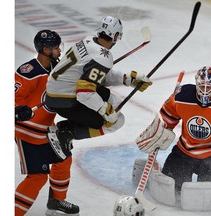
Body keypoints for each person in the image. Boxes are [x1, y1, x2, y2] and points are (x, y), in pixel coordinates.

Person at [45, 16, 152, 159]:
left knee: (116, 105)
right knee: (113, 121)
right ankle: (66, 132)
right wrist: (104, 110)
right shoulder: (103, 57)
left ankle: (69, 127)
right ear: (114, 35)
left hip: (56, 91)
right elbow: (84, 93)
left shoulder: (88, 41)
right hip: (65, 100)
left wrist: (127, 79)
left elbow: (96, 78)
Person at [135, 66, 211, 192]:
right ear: (196, 83)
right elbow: (168, 116)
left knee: (208, 192)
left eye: (208, 86)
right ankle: (156, 168)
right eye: (201, 86)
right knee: (172, 188)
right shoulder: (182, 96)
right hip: (184, 152)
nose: (204, 90)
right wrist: (160, 130)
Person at [15, 30, 79, 216]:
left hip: (46, 130)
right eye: (56, 48)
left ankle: (56, 201)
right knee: (37, 177)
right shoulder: (29, 71)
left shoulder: (56, 70)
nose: (59, 51)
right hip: (27, 131)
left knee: (64, 159)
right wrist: (17, 109)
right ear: (45, 49)